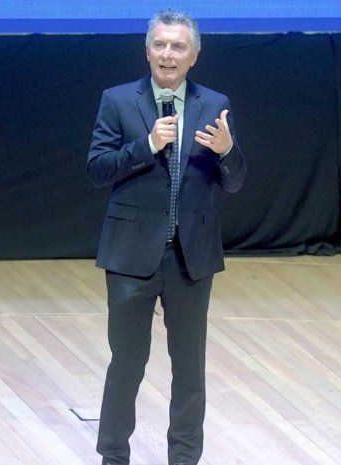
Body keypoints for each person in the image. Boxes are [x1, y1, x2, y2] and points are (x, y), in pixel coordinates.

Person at [87, 9, 246, 465]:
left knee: (190, 370)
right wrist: (147, 145)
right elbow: (98, 169)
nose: (168, 54)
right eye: (160, 45)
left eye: (178, 47)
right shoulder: (119, 100)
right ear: (147, 51)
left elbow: (235, 181)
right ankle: (113, 456)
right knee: (127, 365)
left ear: (194, 55)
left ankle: (184, 458)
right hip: (131, 255)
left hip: (190, 258)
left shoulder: (215, 104)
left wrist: (227, 151)